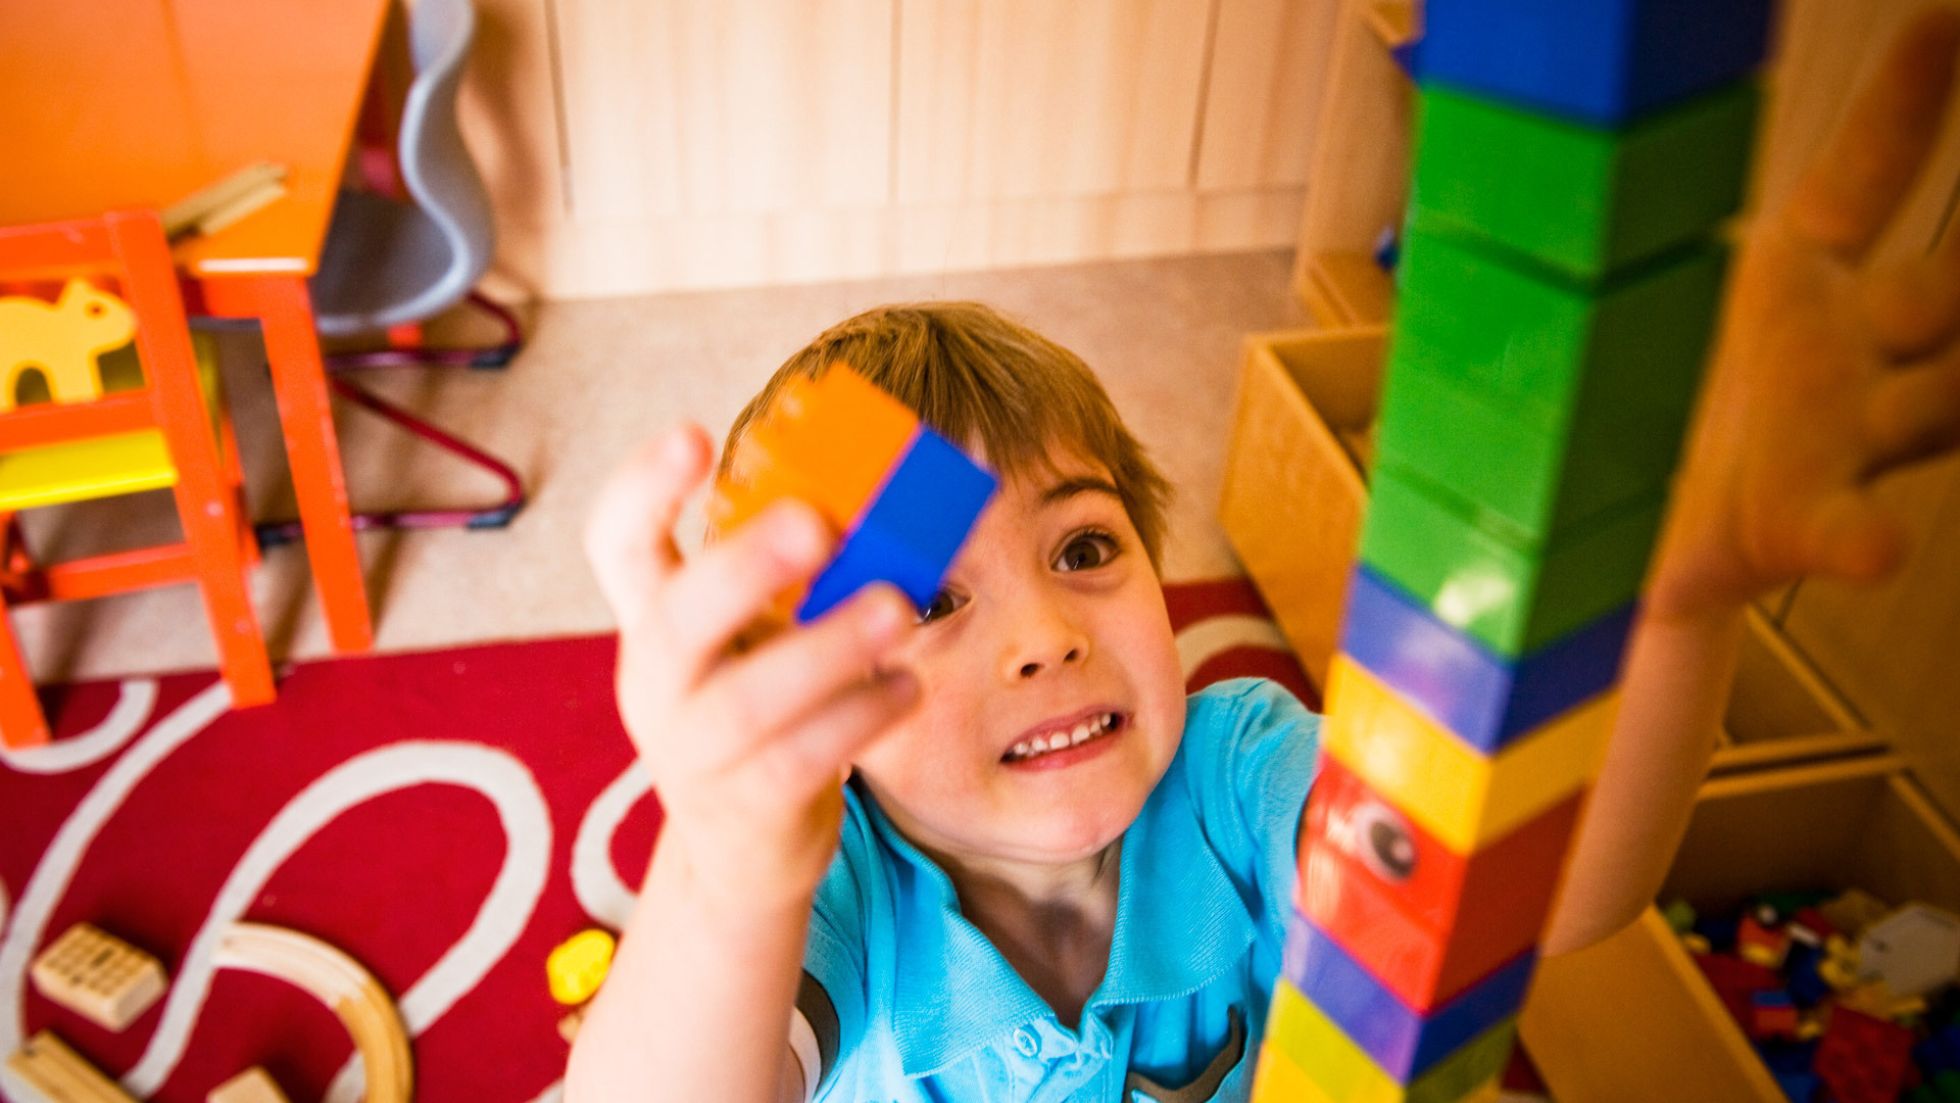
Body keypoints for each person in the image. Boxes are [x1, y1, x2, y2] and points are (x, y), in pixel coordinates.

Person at [567, 11, 1960, 1101]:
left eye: (1087, 547)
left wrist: (1665, 601)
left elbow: (1557, 895)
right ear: (825, 706)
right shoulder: (831, 892)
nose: (1045, 634)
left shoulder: (1238, 771)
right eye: (934, 598)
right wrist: (729, 866)